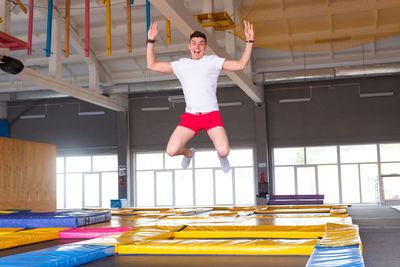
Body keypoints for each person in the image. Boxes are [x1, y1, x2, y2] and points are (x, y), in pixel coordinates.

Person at [146, 20, 254, 173]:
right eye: (194, 43)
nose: (197, 46)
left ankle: (221, 157)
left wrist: (249, 40)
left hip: (211, 116)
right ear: (189, 46)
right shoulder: (181, 65)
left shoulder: (213, 61)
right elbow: (152, 65)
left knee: (224, 151)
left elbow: (241, 64)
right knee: (171, 151)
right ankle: (189, 153)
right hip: (191, 117)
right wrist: (151, 40)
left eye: (201, 43)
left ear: (205, 47)